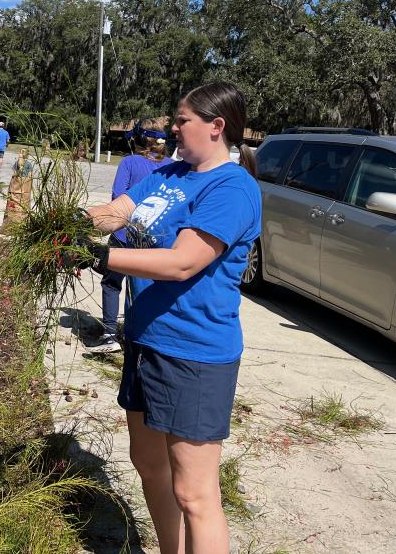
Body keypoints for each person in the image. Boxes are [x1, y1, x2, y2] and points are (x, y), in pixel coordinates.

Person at [66, 82, 260, 554]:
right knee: (149, 465)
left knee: (194, 492)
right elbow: (116, 212)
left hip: (193, 353)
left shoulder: (233, 188)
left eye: (182, 120)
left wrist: (99, 258)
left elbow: (182, 262)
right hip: (145, 340)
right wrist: (66, 223)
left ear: (216, 127)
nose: (172, 128)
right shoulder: (168, 174)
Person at [86, 119, 174, 354]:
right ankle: (142, 334)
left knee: (112, 283)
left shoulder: (130, 162)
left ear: (137, 140)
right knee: (145, 287)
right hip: (155, 240)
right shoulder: (173, 166)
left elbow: (118, 197)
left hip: (124, 235)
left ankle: (109, 335)